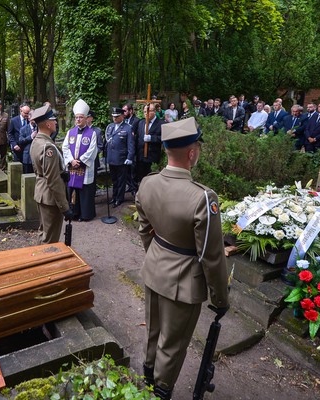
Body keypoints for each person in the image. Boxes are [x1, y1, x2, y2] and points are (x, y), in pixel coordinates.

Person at [135, 118, 230, 399]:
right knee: (172, 343)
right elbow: (211, 256)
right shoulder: (202, 197)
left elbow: (144, 230)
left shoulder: (147, 183)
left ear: (166, 150)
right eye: (197, 147)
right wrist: (220, 298)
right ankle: (161, 391)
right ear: (191, 153)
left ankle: (147, 379)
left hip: (154, 268)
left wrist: (158, 257)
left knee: (153, 331)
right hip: (184, 280)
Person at [29, 104, 72, 244]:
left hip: (42, 193)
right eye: (53, 120)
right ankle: (44, 263)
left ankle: (39, 260)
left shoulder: (37, 141)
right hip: (50, 198)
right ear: (48, 124)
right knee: (50, 239)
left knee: (44, 232)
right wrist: (65, 207)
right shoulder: (48, 147)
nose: (55, 122)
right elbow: (53, 180)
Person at [62, 99, 98, 222]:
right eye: (76, 117)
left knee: (85, 191)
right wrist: (71, 160)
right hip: (72, 167)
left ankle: (86, 215)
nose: (78, 119)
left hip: (85, 167)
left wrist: (80, 161)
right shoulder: (70, 132)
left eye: (81, 117)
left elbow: (93, 150)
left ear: (86, 118)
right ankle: (75, 213)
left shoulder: (92, 133)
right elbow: (65, 147)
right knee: (74, 190)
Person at [105, 107, 135, 207]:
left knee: (121, 180)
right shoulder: (110, 127)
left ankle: (119, 198)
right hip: (111, 158)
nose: (114, 119)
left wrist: (130, 157)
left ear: (122, 116)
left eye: (117, 117)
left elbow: (131, 144)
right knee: (114, 179)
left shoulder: (128, 127)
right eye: (113, 117)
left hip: (122, 158)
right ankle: (114, 197)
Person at [135, 104, 163, 183]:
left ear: (154, 111)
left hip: (153, 158)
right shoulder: (141, 122)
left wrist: (152, 138)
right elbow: (138, 138)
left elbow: (164, 138)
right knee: (142, 180)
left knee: (152, 181)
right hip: (141, 157)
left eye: (148, 111)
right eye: (144, 112)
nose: (146, 113)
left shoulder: (161, 123)